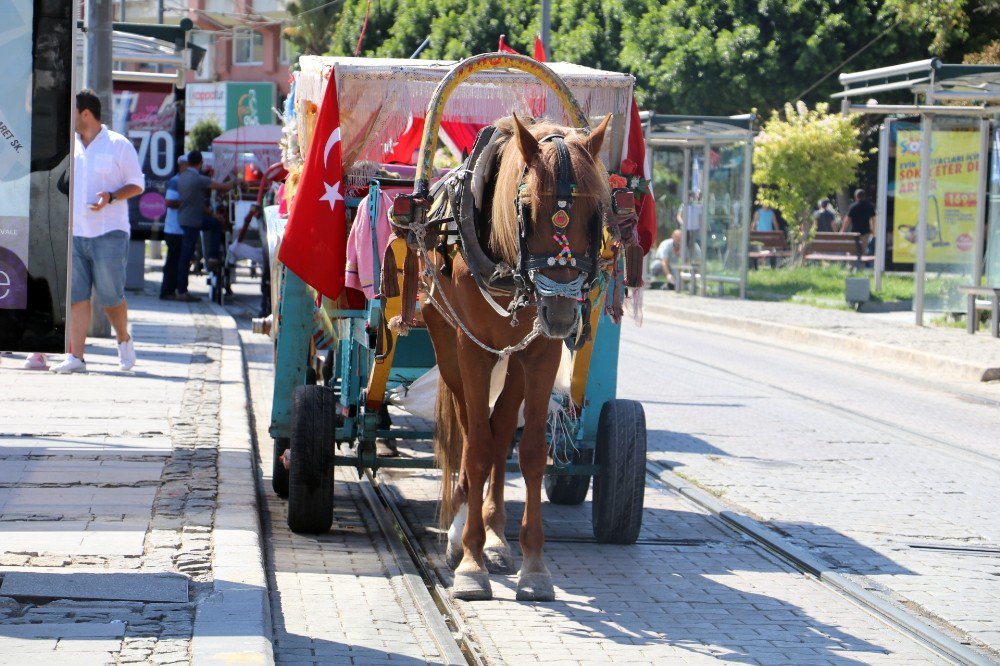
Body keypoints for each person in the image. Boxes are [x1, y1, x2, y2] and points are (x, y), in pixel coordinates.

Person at [50, 89, 145, 374]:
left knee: (110, 298)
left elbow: (137, 184)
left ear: (85, 114)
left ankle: (124, 339)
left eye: (71, 111)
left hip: (110, 233)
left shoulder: (119, 145)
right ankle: (76, 357)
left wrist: (112, 196)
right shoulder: (70, 145)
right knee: (77, 296)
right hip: (75, 232)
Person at [175, 150, 233, 302]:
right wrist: (236, 182)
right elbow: (223, 187)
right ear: (200, 163)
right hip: (193, 221)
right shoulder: (198, 179)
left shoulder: (182, 177)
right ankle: (182, 290)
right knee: (185, 257)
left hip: (185, 219)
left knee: (213, 224)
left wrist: (213, 215)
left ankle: (182, 287)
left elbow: (195, 202)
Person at [160, 154, 188, 300]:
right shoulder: (176, 181)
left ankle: (172, 290)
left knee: (176, 262)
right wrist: (187, 203)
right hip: (174, 229)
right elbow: (169, 202)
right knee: (172, 262)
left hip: (178, 229)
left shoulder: (181, 180)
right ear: (182, 165)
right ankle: (166, 292)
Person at [841, 188, 877, 256]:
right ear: (864, 196)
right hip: (865, 232)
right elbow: (874, 219)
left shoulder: (853, 207)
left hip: (855, 232)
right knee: (864, 249)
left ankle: (851, 264)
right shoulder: (869, 206)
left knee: (852, 249)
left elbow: (847, 220)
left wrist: (843, 230)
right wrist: (873, 229)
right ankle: (862, 264)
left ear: (856, 197)